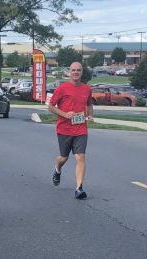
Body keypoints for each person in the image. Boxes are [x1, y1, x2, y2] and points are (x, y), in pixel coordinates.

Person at [48, 62, 94, 200]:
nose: (76, 72)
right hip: (64, 128)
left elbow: (89, 104)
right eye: (73, 70)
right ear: (69, 72)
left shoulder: (87, 89)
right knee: (64, 157)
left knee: (80, 157)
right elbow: (50, 107)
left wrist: (90, 115)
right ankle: (57, 168)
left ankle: (79, 188)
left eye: (78, 70)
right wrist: (65, 114)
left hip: (81, 129)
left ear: (82, 72)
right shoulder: (62, 88)